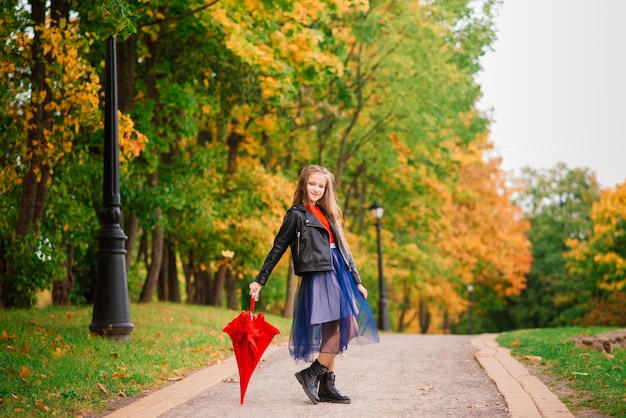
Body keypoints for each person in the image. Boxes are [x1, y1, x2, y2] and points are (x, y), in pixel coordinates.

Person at [249, 165, 380, 405]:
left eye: (321, 185)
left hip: (338, 271)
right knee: (348, 326)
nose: (316, 189)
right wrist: (260, 279)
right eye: (312, 184)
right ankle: (312, 373)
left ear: (326, 189)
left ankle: (326, 384)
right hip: (319, 274)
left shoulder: (328, 214)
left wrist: (357, 280)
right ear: (303, 184)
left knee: (336, 329)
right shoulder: (296, 215)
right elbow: (278, 247)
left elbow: (344, 250)